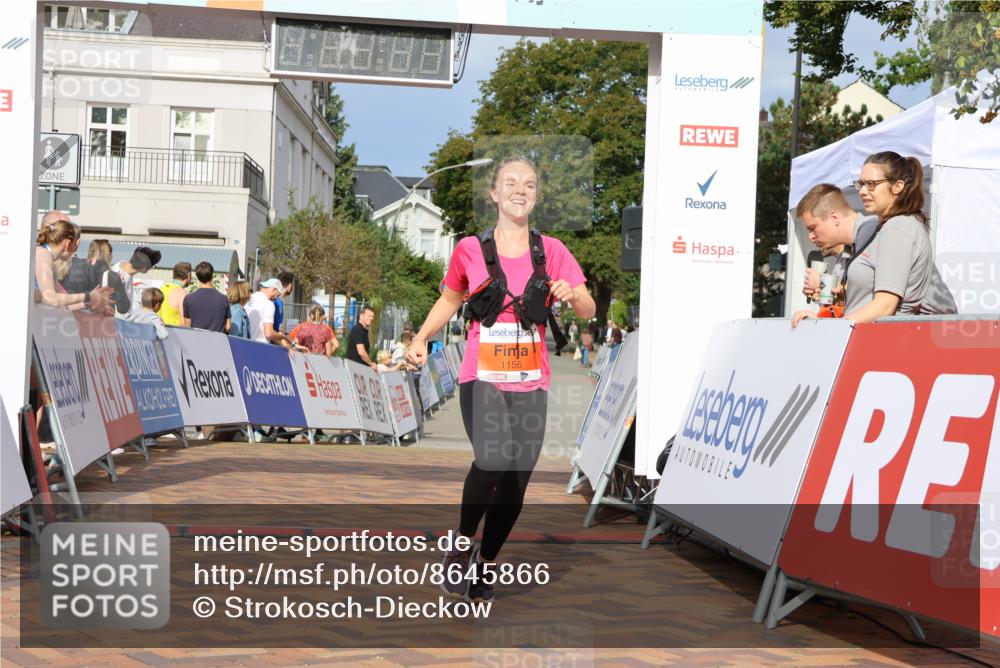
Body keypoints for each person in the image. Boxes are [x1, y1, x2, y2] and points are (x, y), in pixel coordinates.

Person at [406, 157, 595, 603]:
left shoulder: (553, 251)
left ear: (536, 195)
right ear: (493, 194)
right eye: (510, 183)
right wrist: (421, 339)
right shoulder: (470, 249)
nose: (520, 190)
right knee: (493, 460)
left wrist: (574, 294)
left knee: (516, 480)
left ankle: (486, 562)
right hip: (483, 375)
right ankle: (461, 545)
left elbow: (587, 308)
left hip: (531, 381)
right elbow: (450, 301)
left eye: (529, 184)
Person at [792, 161, 956, 326]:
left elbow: (885, 305)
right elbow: (863, 303)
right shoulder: (852, 250)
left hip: (917, 338)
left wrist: (837, 327)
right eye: (861, 184)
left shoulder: (889, 230)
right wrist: (827, 308)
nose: (811, 237)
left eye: (871, 184)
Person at [34, 218, 113, 314]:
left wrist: (89, 304)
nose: (75, 250)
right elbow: (51, 299)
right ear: (68, 244)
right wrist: (88, 296)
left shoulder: (46, 256)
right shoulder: (43, 254)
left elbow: (63, 303)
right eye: (75, 245)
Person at [245, 278, 300, 350]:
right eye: (277, 295)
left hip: (246, 344)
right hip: (261, 347)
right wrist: (283, 336)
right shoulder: (269, 304)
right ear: (274, 290)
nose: (276, 299)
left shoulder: (249, 298)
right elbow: (269, 333)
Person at [111, 246, 160, 315]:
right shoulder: (119, 278)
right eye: (152, 265)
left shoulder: (123, 264)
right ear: (145, 267)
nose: (151, 268)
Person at [182, 261, 230, 333]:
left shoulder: (188, 299)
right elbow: (228, 327)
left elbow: (187, 326)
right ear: (212, 275)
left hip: (196, 341)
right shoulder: (223, 299)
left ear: (197, 276)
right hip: (217, 341)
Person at [159, 262, 192, 327]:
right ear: (188, 275)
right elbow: (184, 324)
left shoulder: (161, 289)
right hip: (175, 335)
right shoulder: (182, 294)